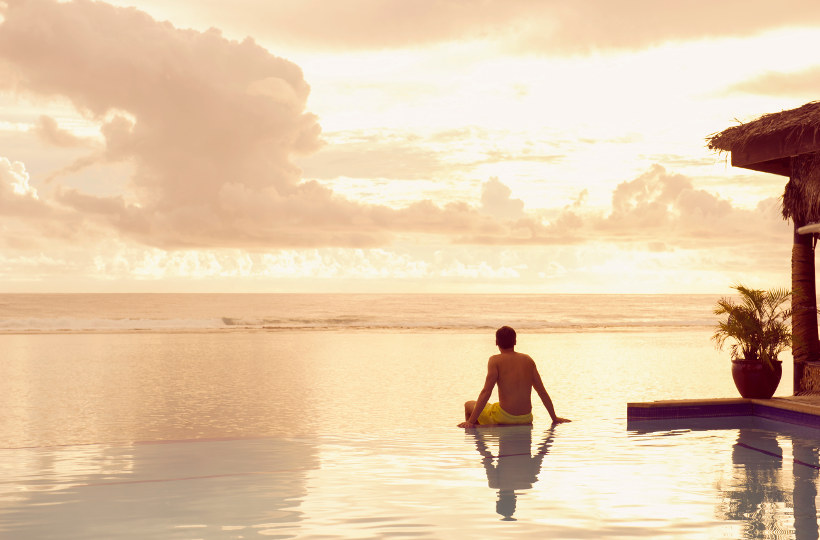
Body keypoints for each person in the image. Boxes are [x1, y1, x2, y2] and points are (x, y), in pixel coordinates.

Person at [458, 326, 570, 428]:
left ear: (496, 342)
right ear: (515, 342)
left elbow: (486, 392)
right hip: (526, 418)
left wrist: (471, 421)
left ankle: (476, 432)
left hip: (504, 417)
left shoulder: (494, 360)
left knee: (469, 404)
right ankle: (486, 429)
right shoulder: (528, 360)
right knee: (493, 407)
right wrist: (554, 418)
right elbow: (542, 392)